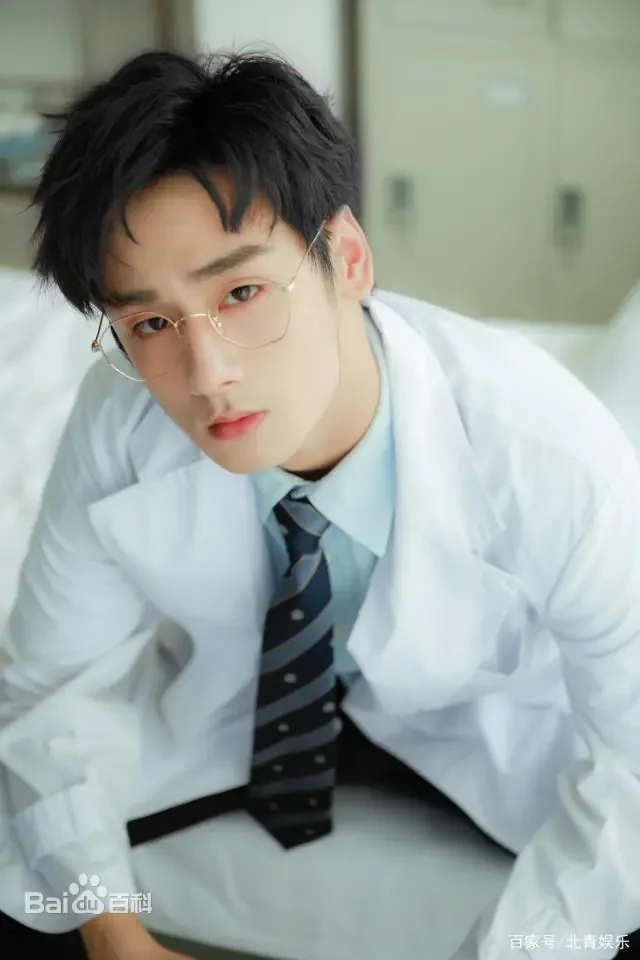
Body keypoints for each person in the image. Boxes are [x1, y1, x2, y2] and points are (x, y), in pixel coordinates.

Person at [0, 49, 639, 960]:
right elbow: (51, 685)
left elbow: (632, 764)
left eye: (242, 292)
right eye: (151, 322)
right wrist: (111, 929)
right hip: (229, 720)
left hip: (491, 737)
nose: (207, 373)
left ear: (348, 257)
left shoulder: (557, 461)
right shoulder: (121, 415)